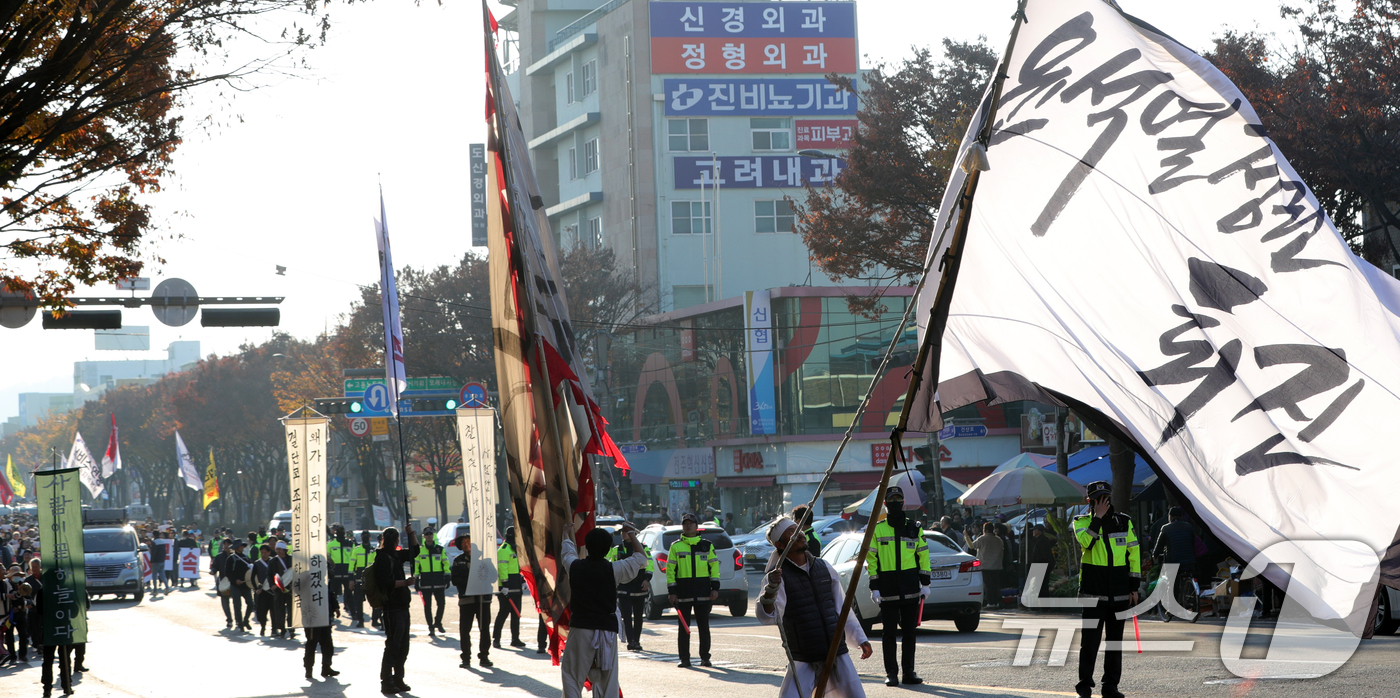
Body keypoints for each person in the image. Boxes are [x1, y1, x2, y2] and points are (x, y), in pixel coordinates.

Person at [758, 517, 873, 697]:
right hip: (804, 655)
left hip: (835, 650)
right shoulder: (777, 577)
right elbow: (768, 616)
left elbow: (841, 608)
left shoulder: (824, 566)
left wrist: (860, 638)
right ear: (780, 545)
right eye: (791, 532)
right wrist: (770, 592)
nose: (799, 534)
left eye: (798, 529)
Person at [560, 524, 647, 698]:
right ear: (608, 549)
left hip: (581, 628)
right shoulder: (614, 569)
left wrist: (566, 533)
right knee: (608, 681)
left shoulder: (575, 567)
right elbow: (641, 558)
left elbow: (567, 552)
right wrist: (631, 534)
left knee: (572, 676)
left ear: (587, 546)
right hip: (606, 630)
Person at [1073, 481, 1140, 698]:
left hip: (1119, 592)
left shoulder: (1124, 522)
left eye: (1105, 498)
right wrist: (1098, 518)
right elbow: (1086, 543)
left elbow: (1134, 555)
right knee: (1089, 643)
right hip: (1093, 593)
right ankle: (1084, 686)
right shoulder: (1081, 522)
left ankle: (1110, 687)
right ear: (1089, 501)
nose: (1102, 502)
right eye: (1097, 499)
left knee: (1114, 644)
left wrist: (1134, 587)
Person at [866, 487, 930, 686]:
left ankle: (908, 672)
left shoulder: (914, 528)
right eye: (891, 500)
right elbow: (872, 560)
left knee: (910, 633)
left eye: (898, 499)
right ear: (885, 504)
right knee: (889, 634)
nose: (895, 503)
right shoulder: (878, 529)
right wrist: (874, 586)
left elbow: (923, 555)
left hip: (911, 587)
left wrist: (926, 583)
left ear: (903, 502)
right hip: (887, 588)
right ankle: (891, 673)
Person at [372, 525, 420, 694]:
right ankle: (386, 680)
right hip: (391, 608)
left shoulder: (396, 555)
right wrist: (405, 583)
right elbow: (385, 582)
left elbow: (415, 552)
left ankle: (398, 679)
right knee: (393, 645)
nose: (396, 542)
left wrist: (412, 535)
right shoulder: (383, 558)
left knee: (403, 646)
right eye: (395, 539)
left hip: (402, 607)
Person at [667, 513, 719, 668]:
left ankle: (705, 657)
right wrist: (672, 592)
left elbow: (714, 568)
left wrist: (715, 588)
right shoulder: (675, 546)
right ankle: (684, 658)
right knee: (684, 628)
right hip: (683, 593)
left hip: (703, 592)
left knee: (704, 627)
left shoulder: (707, 545)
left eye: (691, 523)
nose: (688, 525)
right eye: (685, 523)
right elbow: (670, 570)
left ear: (697, 527)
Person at [450, 529, 492, 668]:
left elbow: (493, 577)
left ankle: (484, 656)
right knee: (464, 630)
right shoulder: (458, 561)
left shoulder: (484, 559)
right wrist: (471, 579)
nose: (466, 544)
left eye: (468, 542)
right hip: (466, 600)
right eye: (463, 542)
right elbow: (455, 580)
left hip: (482, 600)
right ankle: (466, 658)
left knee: (484, 629)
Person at [607, 529, 653, 651]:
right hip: (623, 588)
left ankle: (636, 640)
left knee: (638, 616)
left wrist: (647, 580)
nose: (623, 533)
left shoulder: (642, 547)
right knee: (626, 616)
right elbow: (612, 566)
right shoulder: (617, 549)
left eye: (626, 531)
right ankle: (631, 641)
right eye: (622, 532)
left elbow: (650, 564)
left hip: (639, 587)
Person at [1151, 505, 1196, 620]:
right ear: (1181, 516)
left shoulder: (1166, 528)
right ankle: (1191, 599)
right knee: (1187, 576)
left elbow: (1159, 545)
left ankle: (1171, 609)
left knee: (1171, 584)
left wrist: (1155, 555)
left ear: (1170, 516)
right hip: (1189, 561)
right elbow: (1192, 543)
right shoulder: (1188, 527)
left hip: (1173, 562)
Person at [493, 526, 525, 649]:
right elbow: (502, 569)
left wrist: (522, 581)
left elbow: (520, 566)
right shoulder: (504, 550)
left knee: (516, 614)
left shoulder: (516, 549)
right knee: (503, 613)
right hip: (505, 588)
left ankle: (515, 639)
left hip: (516, 586)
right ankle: (496, 639)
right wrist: (504, 585)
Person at [413, 536, 450, 637]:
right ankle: (431, 627)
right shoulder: (420, 551)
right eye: (427, 534)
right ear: (424, 536)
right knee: (427, 606)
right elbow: (416, 566)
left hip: (439, 581)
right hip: (426, 582)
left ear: (432, 536)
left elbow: (445, 563)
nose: (429, 536)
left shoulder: (440, 549)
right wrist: (416, 580)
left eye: (430, 534)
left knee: (441, 604)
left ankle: (438, 622)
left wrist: (447, 575)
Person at [967, 522, 1004, 609]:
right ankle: (997, 601)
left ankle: (990, 602)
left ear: (985, 530)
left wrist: (966, 537)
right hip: (996, 565)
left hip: (985, 565)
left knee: (987, 585)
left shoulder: (982, 539)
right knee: (995, 584)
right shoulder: (998, 539)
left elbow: (972, 546)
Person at [225, 539, 254, 633]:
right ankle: (240, 623)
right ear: (237, 547)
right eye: (241, 546)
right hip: (235, 585)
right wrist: (235, 580)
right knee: (237, 606)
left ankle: (246, 620)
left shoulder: (246, 557)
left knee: (251, 604)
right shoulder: (231, 558)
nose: (242, 547)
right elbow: (228, 572)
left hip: (245, 585)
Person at [348, 530, 376, 628]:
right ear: (361, 538)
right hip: (359, 579)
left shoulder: (374, 551)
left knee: (375, 601)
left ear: (370, 538)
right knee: (358, 602)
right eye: (363, 536)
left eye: (366, 536)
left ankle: (375, 621)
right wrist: (351, 580)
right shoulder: (356, 550)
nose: (365, 538)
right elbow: (351, 566)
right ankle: (360, 621)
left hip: (371, 580)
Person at [253, 544, 281, 637]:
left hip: (272, 591)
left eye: (265, 552)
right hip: (261, 592)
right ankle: (263, 627)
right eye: (262, 552)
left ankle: (274, 629)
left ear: (269, 552)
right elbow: (253, 578)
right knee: (261, 611)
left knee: (274, 611)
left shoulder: (273, 562)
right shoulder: (257, 564)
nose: (263, 554)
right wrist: (256, 588)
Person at [1027, 524, 1058, 601]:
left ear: (1039, 532)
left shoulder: (1041, 541)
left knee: (1042, 586)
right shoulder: (1039, 540)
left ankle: (1044, 606)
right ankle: (1043, 605)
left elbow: (1043, 555)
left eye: (1035, 530)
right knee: (1041, 586)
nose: (1033, 532)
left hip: (1041, 566)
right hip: (1041, 565)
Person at [275, 542, 296, 639]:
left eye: (280, 549)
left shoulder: (292, 559)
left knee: (291, 610)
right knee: (280, 610)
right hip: (278, 589)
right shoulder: (273, 561)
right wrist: (272, 585)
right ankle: (282, 629)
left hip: (291, 588)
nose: (278, 551)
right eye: (277, 549)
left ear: (284, 550)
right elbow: (270, 574)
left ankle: (291, 629)